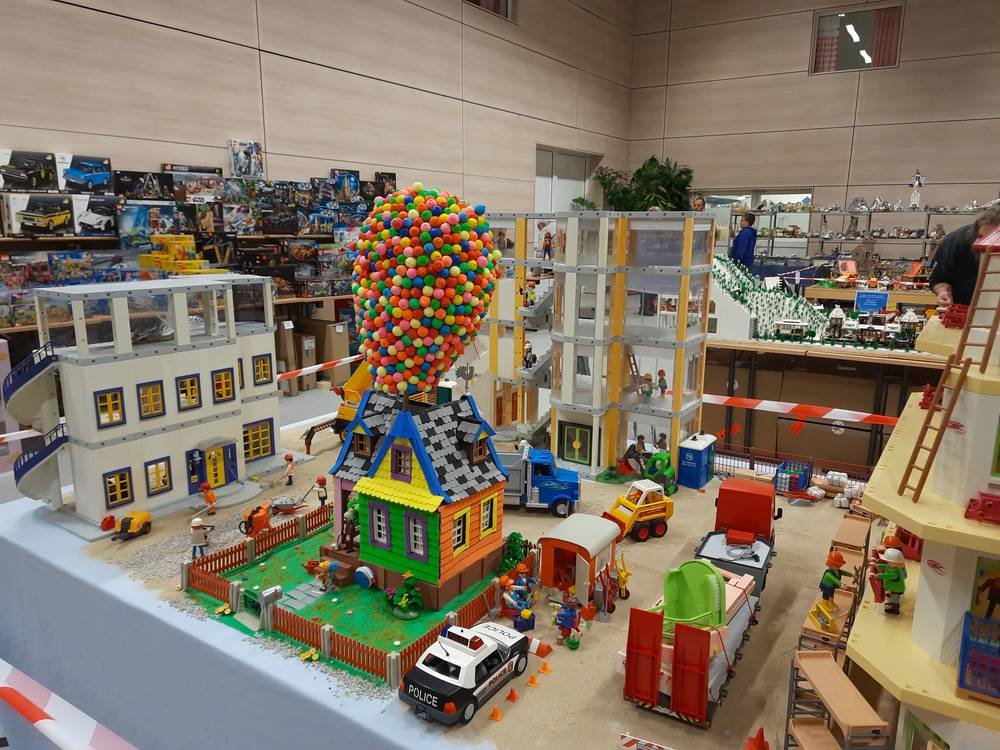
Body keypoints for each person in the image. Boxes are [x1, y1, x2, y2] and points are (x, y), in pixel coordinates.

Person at [929, 205, 1000, 306]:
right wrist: (943, 291)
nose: (985, 246)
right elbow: (938, 279)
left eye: (993, 240)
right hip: (963, 307)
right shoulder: (955, 243)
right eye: (982, 238)